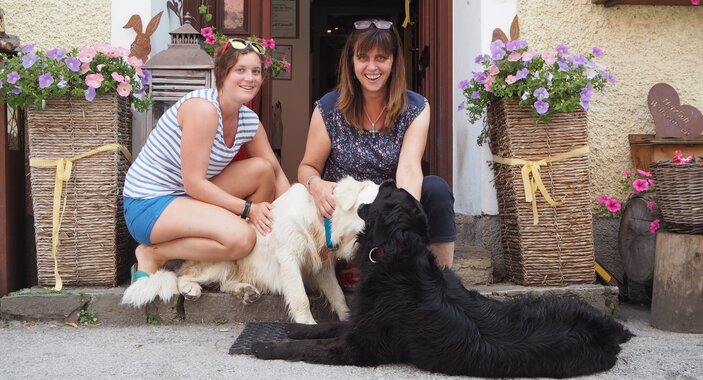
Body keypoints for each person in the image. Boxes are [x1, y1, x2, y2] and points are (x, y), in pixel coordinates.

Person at [123, 38, 290, 281]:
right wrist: (248, 209)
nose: (250, 78)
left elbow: (275, 174)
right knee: (242, 237)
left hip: (187, 198)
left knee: (263, 171)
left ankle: (247, 261)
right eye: (240, 70)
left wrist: (293, 222)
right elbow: (194, 184)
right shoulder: (203, 109)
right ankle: (154, 255)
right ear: (222, 73)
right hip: (149, 202)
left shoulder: (248, 120)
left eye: (256, 72)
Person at [298, 19, 456, 268]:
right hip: (345, 212)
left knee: (436, 189)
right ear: (352, 62)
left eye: (381, 57)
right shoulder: (328, 108)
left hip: (389, 206)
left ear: (393, 62)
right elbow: (307, 166)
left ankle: (441, 281)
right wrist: (315, 184)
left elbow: (409, 168)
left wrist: (403, 220)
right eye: (363, 57)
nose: (372, 66)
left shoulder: (415, 107)